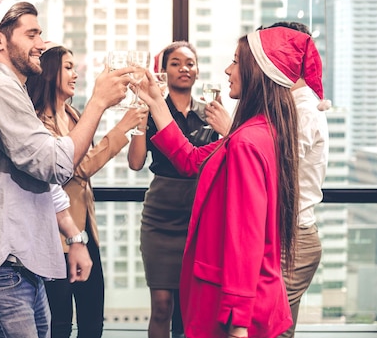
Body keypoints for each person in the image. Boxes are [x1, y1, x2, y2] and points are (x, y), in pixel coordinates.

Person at [0, 0, 133, 338]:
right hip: (2, 269)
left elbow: (41, 179)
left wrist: (74, 236)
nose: (40, 44)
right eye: (31, 34)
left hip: (20, 266)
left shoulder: (13, 90)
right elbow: (56, 164)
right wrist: (98, 103)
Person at [137, 26, 325, 338]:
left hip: (230, 304)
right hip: (228, 293)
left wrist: (238, 321)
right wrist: (155, 101)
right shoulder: (255, 130)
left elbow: (247, 235)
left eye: (236, 61)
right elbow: (191, 160)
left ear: (258, 71)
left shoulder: (248, 140)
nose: (228, 69)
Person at [26, 44, 148, 338]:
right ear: (50, 72)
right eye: (68, 67)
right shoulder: (38, 121)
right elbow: (74, 169)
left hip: (84, 233)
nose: (75, 74)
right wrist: (121, 130)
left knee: (93, 323)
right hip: (57, 236)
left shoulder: (73, 113)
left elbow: (83, 163)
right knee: (60, 324)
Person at [127, 41, 220, 338]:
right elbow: (136, 162)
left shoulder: (211, 113)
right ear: (163, 72)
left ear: (198, 71)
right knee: (163, 305)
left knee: (195, 306)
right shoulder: (152, 109)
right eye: (176, 63)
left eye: (190, 63)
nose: (184, 68)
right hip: (160, 217)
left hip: (200, 216)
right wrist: (140, 122)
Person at [264, 22, 329, 338]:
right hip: (285, 237)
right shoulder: (289, 104)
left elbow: (276, 170)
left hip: (294, 241)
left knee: (271, 330)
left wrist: (228, 133)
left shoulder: (302, 108)